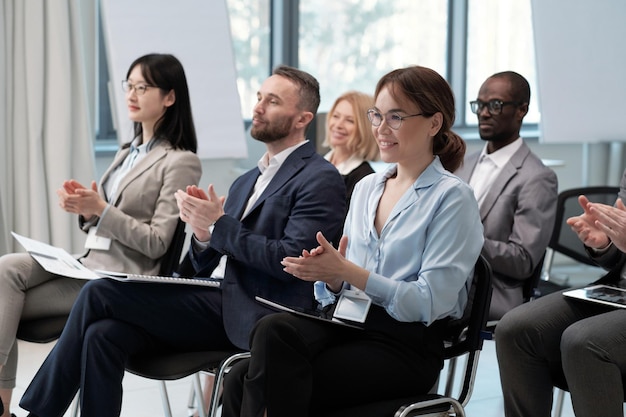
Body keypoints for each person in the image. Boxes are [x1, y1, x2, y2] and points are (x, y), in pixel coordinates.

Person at [18, 65, 346, 417]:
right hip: (217, 298)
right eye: (258, 97)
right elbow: (201, 263)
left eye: (273, 101)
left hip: (258, 312)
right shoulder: (246, 180)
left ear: (302, 118)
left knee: (99, 292)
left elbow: (293, 262)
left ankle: (41, 412)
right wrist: (204, 237)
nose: (259, 107)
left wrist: (219, 226)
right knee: (102, 333)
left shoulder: (319, 177)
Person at [221, 65, 485, 417]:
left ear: (433, 124)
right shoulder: (367, 188)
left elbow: (429, 303)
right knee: (263, 343)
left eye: (396, 117)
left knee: (257, 373)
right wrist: (331, 277)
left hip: (404, 346)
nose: (381, 128)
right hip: (347, 326)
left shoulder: (452, 198)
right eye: (377, 115)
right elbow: (337, 290)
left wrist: (351, 272)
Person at [0, 53, 202, 417]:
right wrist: (87, 210)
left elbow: (157, 243)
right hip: (86, 263)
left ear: (170, 97)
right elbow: (107, 218)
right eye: (129, 85)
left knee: (4, 303)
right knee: (6, 268)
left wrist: (101, 210)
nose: (131, 94)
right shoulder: (127, 152)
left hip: (120, 278)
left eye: (143, 87)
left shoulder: (181, 161)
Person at [496, 169, 626, 417]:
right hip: (619, 287)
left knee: (583, 342)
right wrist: (606, 243)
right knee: (514, 328)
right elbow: (619, 251)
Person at [455, 71, 558, 321]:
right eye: (479, 105)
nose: (484, 112)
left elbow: (522, 261)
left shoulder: (536, 177)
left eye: (495, 105)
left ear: (522, 110)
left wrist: (464, 237)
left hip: (486, 292)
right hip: (446, 279)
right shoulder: (462, 163)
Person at [322, 90, 379, 206]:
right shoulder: (315, 164)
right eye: (336, 116)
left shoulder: (365, 179)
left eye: (350, 120)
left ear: (365, 128)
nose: (338, 125)